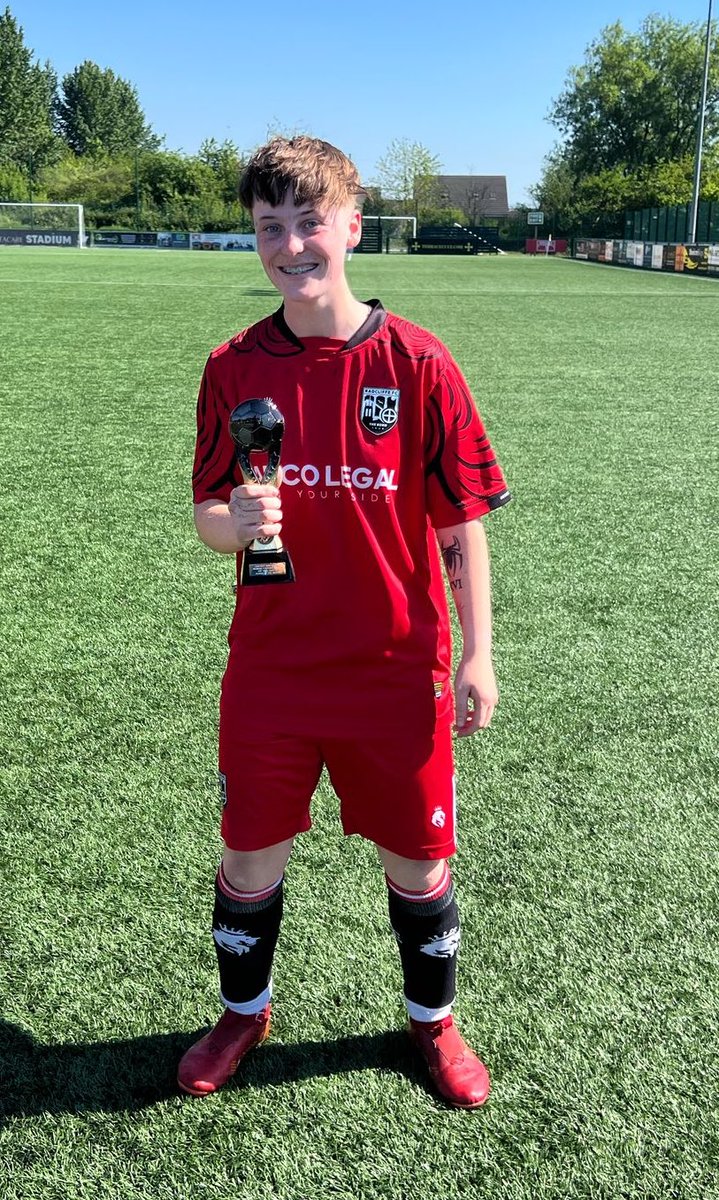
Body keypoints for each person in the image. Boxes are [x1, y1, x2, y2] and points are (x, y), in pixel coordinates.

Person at [179, 136, 511, 1109]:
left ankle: (432, 1027)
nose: (289, 244)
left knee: (419, 861)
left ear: (351, 226)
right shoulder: (233, 368)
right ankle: (244, 1014)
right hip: (273, 673)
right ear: (254, 237)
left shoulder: (415, 362)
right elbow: (205, 512)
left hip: (393, 672)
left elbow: (461, 524)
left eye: (307, 221)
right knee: (248, 856)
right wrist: (229, 523)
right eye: (268, 226)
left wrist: (479, 656)